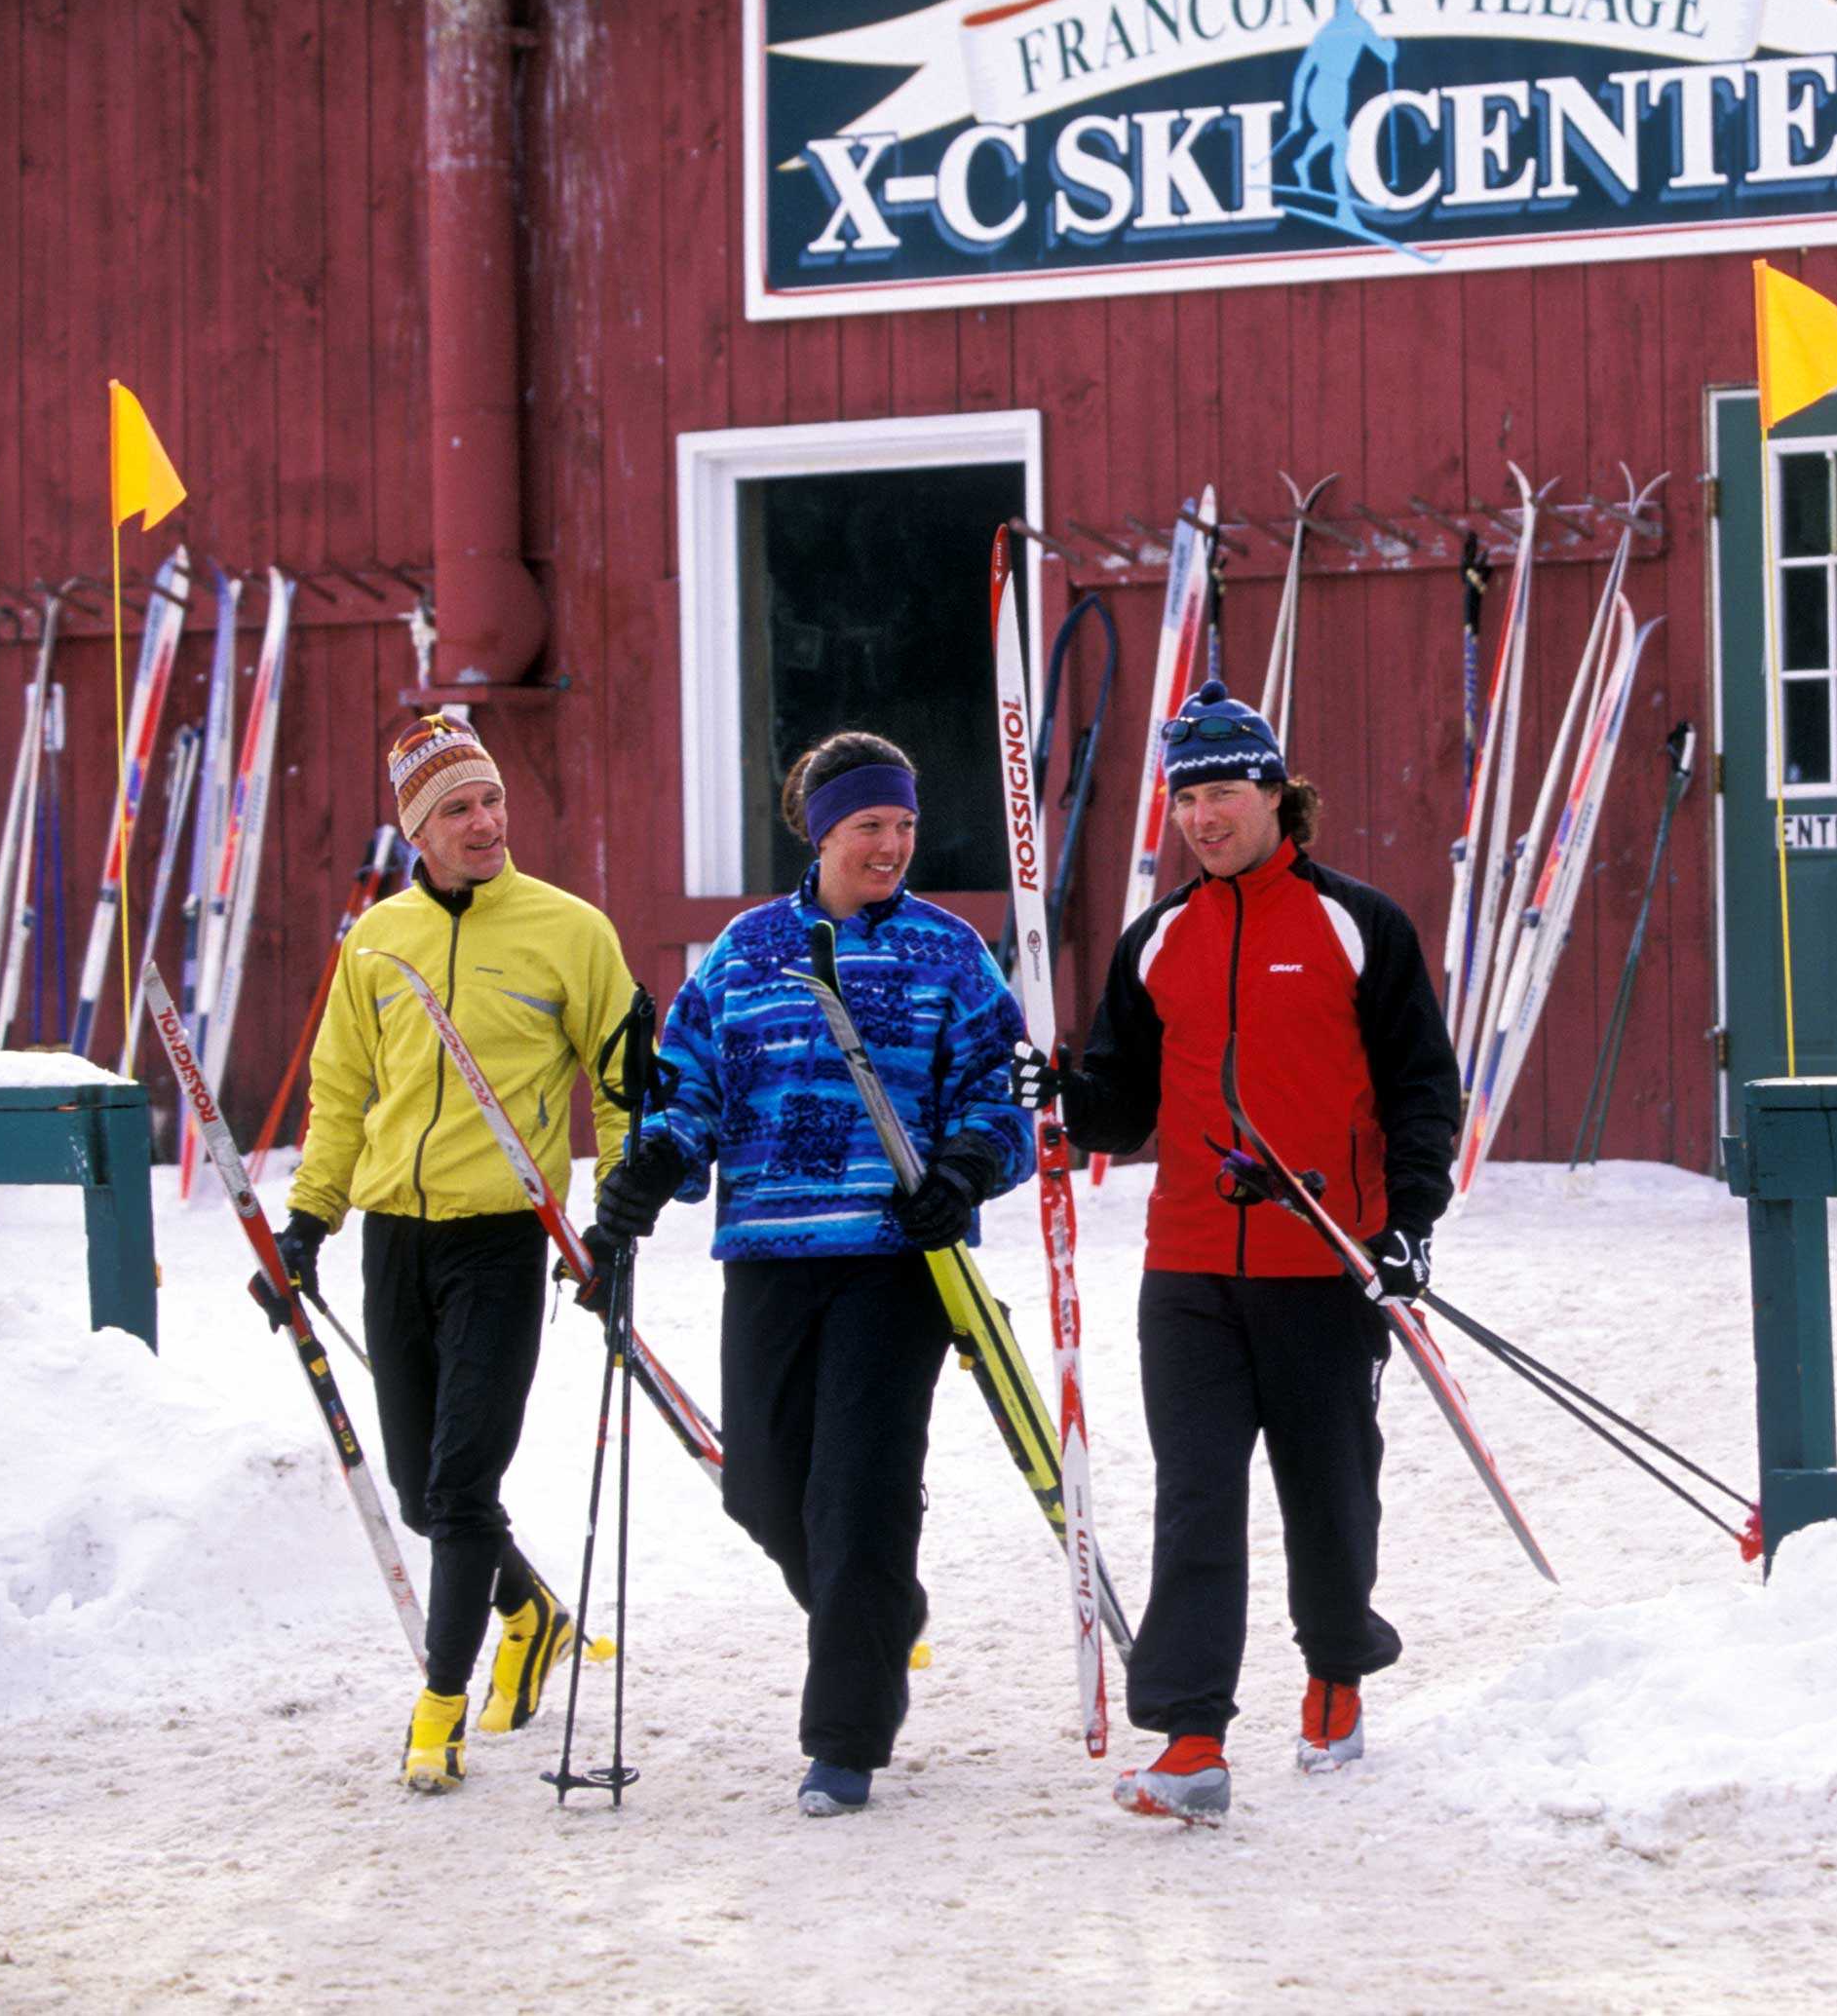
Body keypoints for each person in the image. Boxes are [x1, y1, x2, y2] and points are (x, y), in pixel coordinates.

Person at [1018, 681, 1461, 1825]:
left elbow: (1422, 1091)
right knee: (1196, 1495)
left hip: (1326, 1260)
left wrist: (1408, 1223)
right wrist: (1063, 1095)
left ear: (1274, 792)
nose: (1200, 818)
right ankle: (1193, 1736)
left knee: (1328, 1491)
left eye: (1220, 792)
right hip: (1192, 1265)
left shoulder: (1358, 923)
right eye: (1184, 799)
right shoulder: (1158, 937)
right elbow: (1118, 1114)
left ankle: (1335, 1676)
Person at [589, 730, 1032, 1817]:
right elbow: (689, 1089)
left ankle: (844, 1736)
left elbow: (1000, 1093)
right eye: (871, 826)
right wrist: (652, 1164)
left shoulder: (949, 953)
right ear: (822, 830)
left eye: (906, 826)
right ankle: (875, 1611)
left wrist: (966, 1166)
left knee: (861, 1495)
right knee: (763, 1488)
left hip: (896, 1262)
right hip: (774, 1256)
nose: (892, 846)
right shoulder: (743, 955)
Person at [277, 716, 642, 1794]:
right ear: (415, 831)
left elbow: (623, 1085)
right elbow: (341, 1096)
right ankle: (528, 1613)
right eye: (456, 811)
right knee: (418, 1484)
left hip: (501, 1239)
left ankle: (438, 1706)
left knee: (462, 1480)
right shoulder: (375, 944)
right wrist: (308, 1221)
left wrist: (615, 1223)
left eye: (490, 801)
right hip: (394, 1235)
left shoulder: (570, 932)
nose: (484, 823)